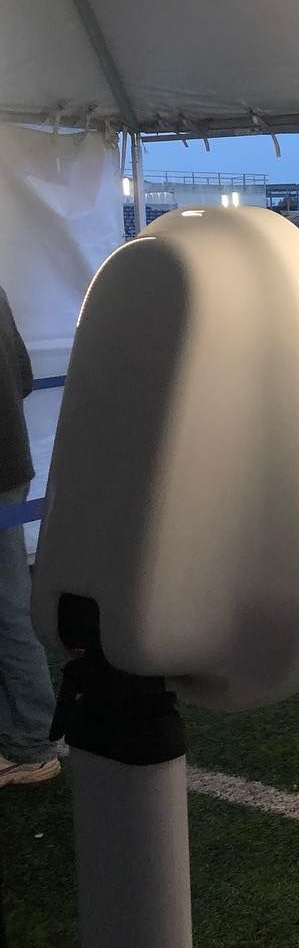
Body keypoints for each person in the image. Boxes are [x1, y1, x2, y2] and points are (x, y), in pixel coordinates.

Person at [0, 284, 62, 787]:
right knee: (9, 604)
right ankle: (27, 737)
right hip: (9, 462)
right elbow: (21, 377)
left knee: (7, 609)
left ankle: (29, 743)